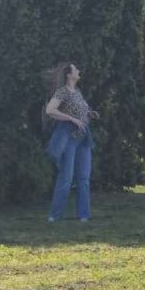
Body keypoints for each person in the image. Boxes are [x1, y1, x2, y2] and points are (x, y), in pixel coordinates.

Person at [44, 62, 98, 222]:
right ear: (69, 75)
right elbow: (50, 110)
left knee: (84, 178)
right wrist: (71, 119)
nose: (79, 70)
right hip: (69, 138)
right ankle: (54, 215)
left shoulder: (78, 92)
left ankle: (84, 215)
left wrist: (90, 114)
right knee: (66, 178)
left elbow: (82, 112)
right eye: (76, 69)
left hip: (83, 138)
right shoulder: (62, 91)